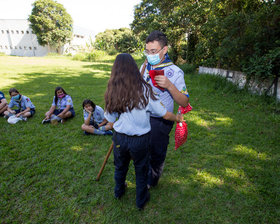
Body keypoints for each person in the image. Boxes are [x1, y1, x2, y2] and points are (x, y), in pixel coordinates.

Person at [104, 53, 184, 210]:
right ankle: (141, 201)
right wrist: (177, 118)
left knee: (120, 167)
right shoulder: (146, 90)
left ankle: (118, 192)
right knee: (141, 170)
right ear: (135, 68)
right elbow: (165, 114)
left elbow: (110, 119)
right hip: (140, 140)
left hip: (120, 138)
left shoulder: (113, 90)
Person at [140, 30, 190, 189]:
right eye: (147, 51)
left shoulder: (175, 72)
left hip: (162, 120)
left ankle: (152, 180)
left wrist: (169, 85)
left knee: (156, 151)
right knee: (142, 147)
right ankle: (143, 171)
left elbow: (184, 101)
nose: (149, 55)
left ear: (164, 50)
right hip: (141, 115)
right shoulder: (144, 66)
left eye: (153, 51)